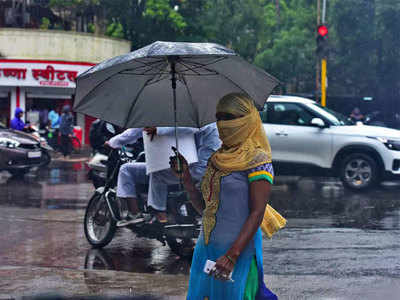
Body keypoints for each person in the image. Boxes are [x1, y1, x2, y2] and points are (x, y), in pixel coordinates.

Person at [170, 93, 279, 300]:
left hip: (237, 254)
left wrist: (232, 255)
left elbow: (257, 212)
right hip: (207, 249)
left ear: (247, 119)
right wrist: (185, 179)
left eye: (229, 117)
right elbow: (207, 209)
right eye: (219, 117)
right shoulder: (216, 159)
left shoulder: (258, 160)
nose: (222, 123)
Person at [105, 124, 220, 227]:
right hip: (209, 167)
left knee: (157, 173)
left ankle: (159, 216)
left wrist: (158, 130)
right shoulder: (209, 119)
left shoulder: (198, 121)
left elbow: (190, 127)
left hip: (200, 170)